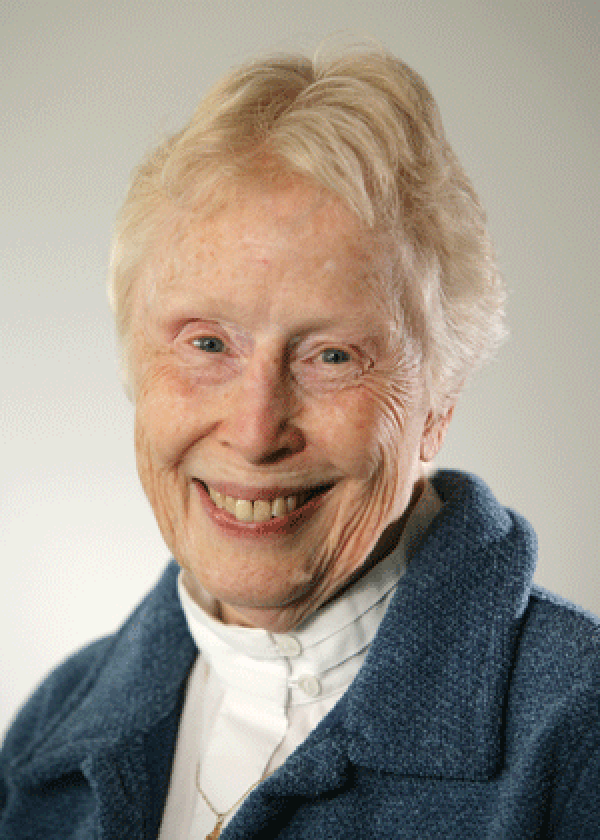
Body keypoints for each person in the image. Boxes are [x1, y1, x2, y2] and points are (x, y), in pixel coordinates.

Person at [1, 40, 599, 840]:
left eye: (332, 356)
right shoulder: (48, 729)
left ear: (439, 404)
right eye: (207, 343)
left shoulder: (578, 730)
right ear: (133, 367)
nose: (255, 433)